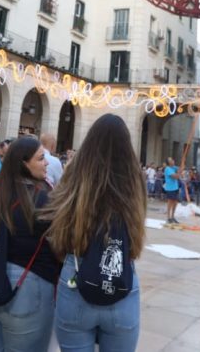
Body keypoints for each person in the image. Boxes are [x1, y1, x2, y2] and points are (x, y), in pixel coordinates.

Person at [42, 114, 145, 351]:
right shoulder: (134, 178)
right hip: (122, 280)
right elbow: (136, 229)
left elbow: (57, 223)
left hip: (75, 273)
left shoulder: (75, 173)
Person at [0, 136, 59, 352]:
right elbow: (60, 247)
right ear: (24, 163)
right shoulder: (44, 199)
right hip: (25, 290)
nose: (46, 162)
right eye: (41, 158)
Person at [162, 157, 180, 224]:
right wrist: (179, 173)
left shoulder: (174, 167)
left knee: (175, 202)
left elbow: (179, 169)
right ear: (168, 162)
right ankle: (168, 217)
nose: (173, 161)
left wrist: (179, 170)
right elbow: (175, 176)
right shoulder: (167, 169)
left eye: (172, 159)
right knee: (170, 202)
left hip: (175, 187)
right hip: (170, 188)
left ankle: (173, 216)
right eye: (171, 160)